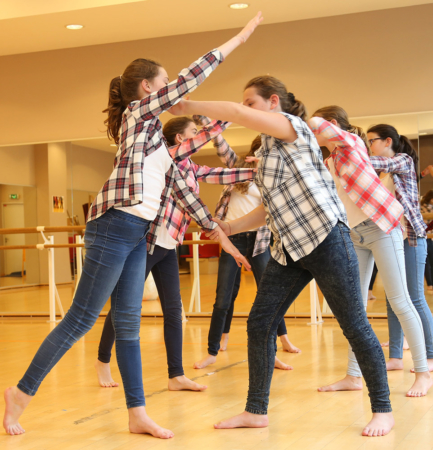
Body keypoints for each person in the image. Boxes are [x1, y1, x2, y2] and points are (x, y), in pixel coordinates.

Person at [2, 12, 264, 438]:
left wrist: (224, 237)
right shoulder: (138, 116)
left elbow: (184, 192)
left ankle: (137, 412)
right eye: (163, 85)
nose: (169, 93)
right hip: (113, 226)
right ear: (148, 88)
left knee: (127, 322)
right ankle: (20, 393)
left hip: (137, 234)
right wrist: (238, 39)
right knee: (81, 318)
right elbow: (188, 80)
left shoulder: (158, 143)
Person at [170, 75, 395, 436]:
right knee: (260, 324)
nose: (245, 108)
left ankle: (383, 408)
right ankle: (256, 410)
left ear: (274, 102)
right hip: (288, 249)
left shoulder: (295, 129)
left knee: (354, 324)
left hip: (326, 239)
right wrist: (230, 227)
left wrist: (188, 107)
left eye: (251, 102)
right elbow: (269, 209)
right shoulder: (268, 156)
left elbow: (232, 112)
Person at [95, 115, 258, 390]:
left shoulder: (192, 168)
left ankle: (176, 375)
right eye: (193, 132)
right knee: (123, 306)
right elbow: (203, 142)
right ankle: (102, 360)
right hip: (146, 243)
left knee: (173, 310)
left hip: (168, 244)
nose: (198, 135)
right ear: (181, 139)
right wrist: (232, 115)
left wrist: (259, 171)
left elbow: (223, 175)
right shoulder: (166, 158)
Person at [307, 107, 431, 398]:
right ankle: (353, 375)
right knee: (355, 308)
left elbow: (315, 123)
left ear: (332, 126)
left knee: (400, 301)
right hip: (355, 234)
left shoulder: (352, 144)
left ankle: (423, 373)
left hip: (381, 228)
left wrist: (298, 122)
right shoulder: (329, 161)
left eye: (316, 130)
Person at [192, 130, 300, 371]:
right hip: (233, 240)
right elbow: (223, 150)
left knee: (268, 297)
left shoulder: (274, 175)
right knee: (223, 298)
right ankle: (213, 350)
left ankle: (280, 343)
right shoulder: (240, 168)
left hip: (260, 241)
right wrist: (210, 128)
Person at [367, 124, 433, 374]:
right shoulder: (380, 174)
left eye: (372, 141)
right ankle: (396, 356)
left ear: (388, 141)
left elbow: (381, 163)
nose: (369, 146)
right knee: (392, 298)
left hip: (411, 238)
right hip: (390, 239)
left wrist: (353, 152)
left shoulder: (403, 161)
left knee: (415, 297)